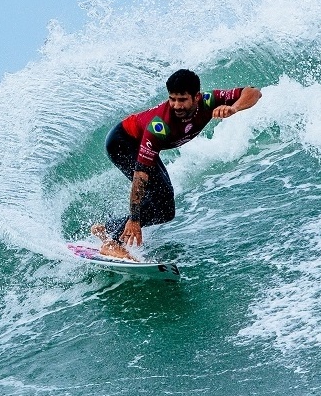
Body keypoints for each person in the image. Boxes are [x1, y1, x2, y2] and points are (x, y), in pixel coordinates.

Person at [91, 69, 262, 259]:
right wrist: (134, 219)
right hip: (122, 142)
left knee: (166, 211)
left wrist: (234, 108)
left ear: (196, 97)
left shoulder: (207, 101)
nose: (176, 105)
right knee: (157, 198)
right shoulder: (160, 126)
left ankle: (107, 229)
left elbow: (253, 92)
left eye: (182, 100)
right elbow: (140, 178)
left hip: (135, 141)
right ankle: (112, 242)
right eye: (172, 99)